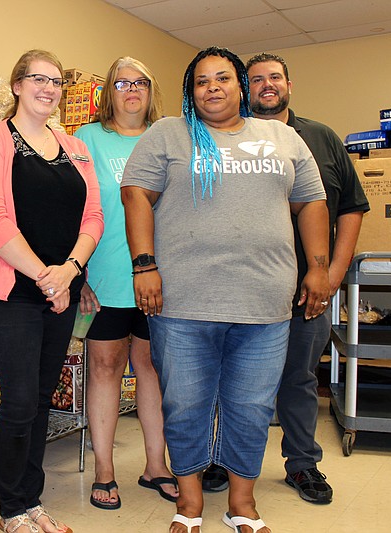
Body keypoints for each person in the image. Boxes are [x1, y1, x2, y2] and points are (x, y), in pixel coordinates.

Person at [121, 46, 330, 533]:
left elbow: (313, 203)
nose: (211, 87)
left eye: (222, 78)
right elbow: (136, 195)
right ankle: (190, 504)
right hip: (184, 303)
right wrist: (144, 264)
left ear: (241, 86)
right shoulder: (168, 134)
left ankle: (243, 503)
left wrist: (317, 268)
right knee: (186, 403)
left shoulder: (281, 137)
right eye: (200, 81)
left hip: (265, 304)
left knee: (252, 406)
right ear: (190, 92)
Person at [0, 49, 104, 533]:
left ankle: (32, 501)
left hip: (61, 288)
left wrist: (69, 270)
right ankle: (10, 509)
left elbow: (94, 217)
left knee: (43, 398)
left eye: (57, 81)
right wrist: (48, 275)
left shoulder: (74, 146)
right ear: (17, 85)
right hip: (9, 289)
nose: (49, 88)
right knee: (21, 399)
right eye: (38, 78)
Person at [243, 52, 367, 504]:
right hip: (245, 286)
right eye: (256, 80)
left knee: (297, 378)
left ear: (289, 85)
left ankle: (301, 464)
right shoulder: (226, 139)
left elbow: (351, 207)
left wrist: (331, 275)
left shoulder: (322, 138)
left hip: (308, 290)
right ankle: (223, 459)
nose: (267, 85)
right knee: (232, 380)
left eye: (274, 77)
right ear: (245, 89)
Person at [74, 57, 178, 509]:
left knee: (154, 369)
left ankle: (157, 465)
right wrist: (76, 273)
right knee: (105, 369)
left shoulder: (171, 138)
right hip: (106, 276)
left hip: (161, 277)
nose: (131, 90)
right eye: (121, 82)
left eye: (140, 82)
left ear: (151, 90)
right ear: (107, 93)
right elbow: (71, 207)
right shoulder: (88, 139)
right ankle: (104, 470)